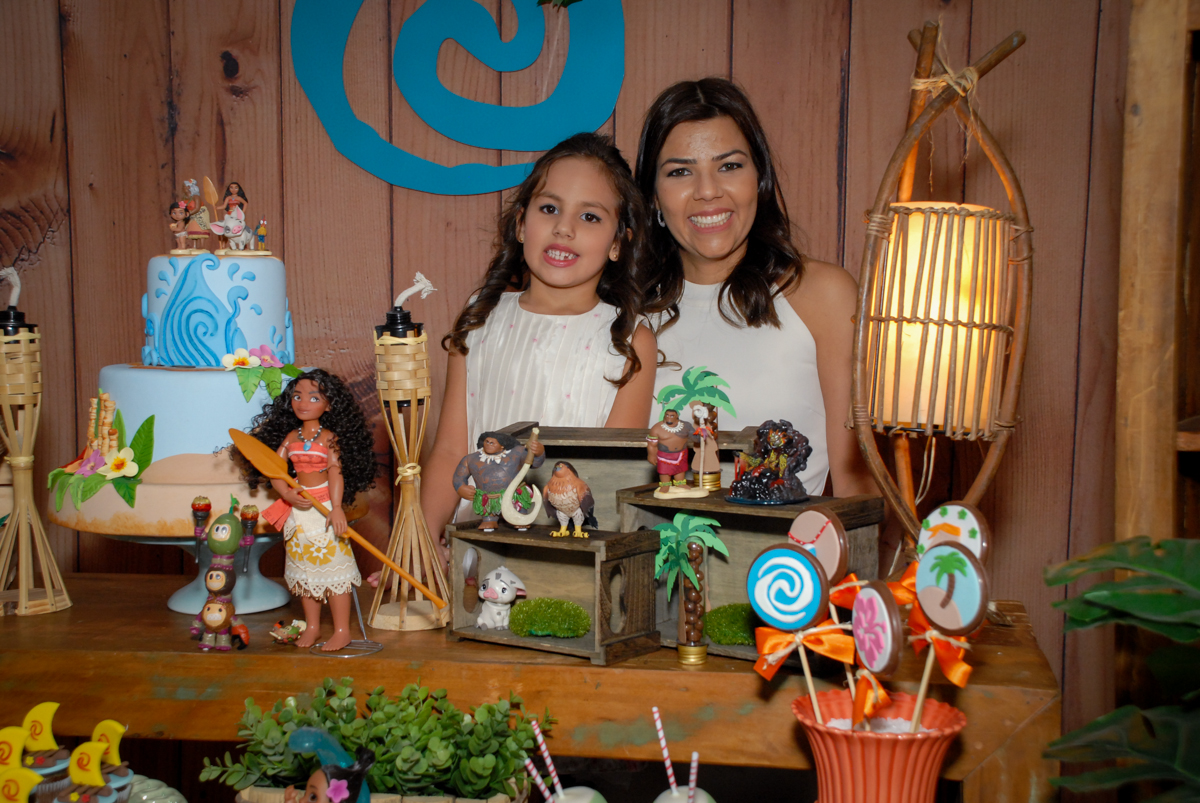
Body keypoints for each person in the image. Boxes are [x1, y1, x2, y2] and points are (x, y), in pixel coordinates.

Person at [635, 78, 875, 498]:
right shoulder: (625, 313)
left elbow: (860, 485)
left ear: (759, 178)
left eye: (729, 166)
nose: (708, 191)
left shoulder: (823, 295)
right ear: (653, 196)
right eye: (680, 172)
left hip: (789, 561)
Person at [418, 132, 658, 546]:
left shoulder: (630, 340)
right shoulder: (481, 318)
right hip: (477, 540)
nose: (564, 228)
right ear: (521, 224)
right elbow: (449, 452)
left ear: (618, 242)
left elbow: (609, 477)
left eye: (590, 217)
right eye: (549, 208)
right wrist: (419, 543)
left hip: (573, 548)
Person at [234, 369, 376, 651]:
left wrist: (336, 508)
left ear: (329, 404)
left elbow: (336, 472)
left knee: (335, 572)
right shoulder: (291, 437)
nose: (303, 402)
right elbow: (274, 470)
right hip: (297, 510)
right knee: (305, 572)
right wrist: (286, 492)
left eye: (313, 397)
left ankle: (341, 630)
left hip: (323, 508)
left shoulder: (329, 439)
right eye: (298, 396)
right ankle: (311, 626)